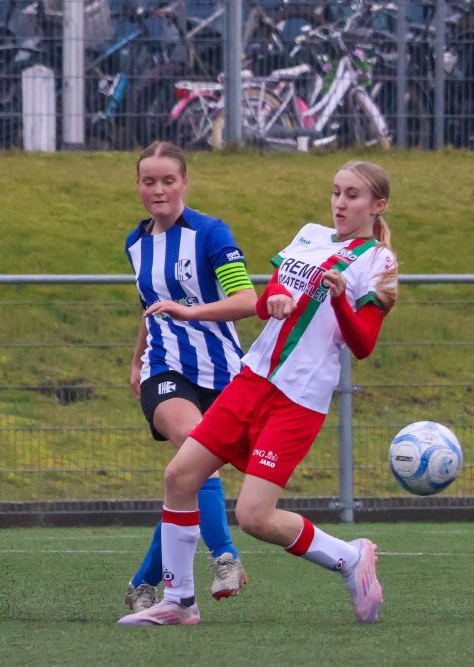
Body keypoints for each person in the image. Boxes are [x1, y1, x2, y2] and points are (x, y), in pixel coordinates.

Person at [118, 160, 398, 627]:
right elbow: (267, 300)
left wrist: (338, 301)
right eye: (336, 192)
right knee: (179, 476)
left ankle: (350, 558)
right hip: (252, 379)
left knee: (254, 517)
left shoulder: (379, 262)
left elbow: (363, 344)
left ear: (378, 204)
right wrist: (273, 300)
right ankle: (179, 600)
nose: (340, 203)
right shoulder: (309, 235)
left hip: (298, 400)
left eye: (352, 195)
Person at [123, 141, 257, 612]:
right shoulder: (136, 243)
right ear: (138, 186)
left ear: (184, 183)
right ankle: (225, 558)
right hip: (166, 369)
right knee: (198, 450)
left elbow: (248, 301)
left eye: (168, 180)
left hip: (223, 374)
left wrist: (189, 311)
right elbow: (150, 307)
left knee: (188, 477)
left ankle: (142, 583)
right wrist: (137, 359)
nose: (158, 190)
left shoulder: (210, 233)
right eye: (149, 181)